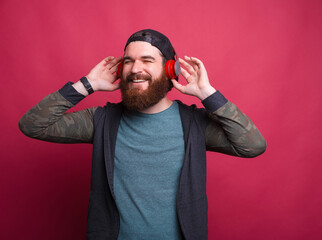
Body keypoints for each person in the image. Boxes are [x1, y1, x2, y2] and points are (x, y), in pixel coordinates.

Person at [19, 29, 266, 240]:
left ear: (171, 69)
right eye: (128, 61)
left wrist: (208, 94)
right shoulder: (101, 121)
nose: (135, 69)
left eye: (147, 60)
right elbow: (32, 125)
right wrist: (87, 85)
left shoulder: (194, 125)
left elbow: (253, 145)